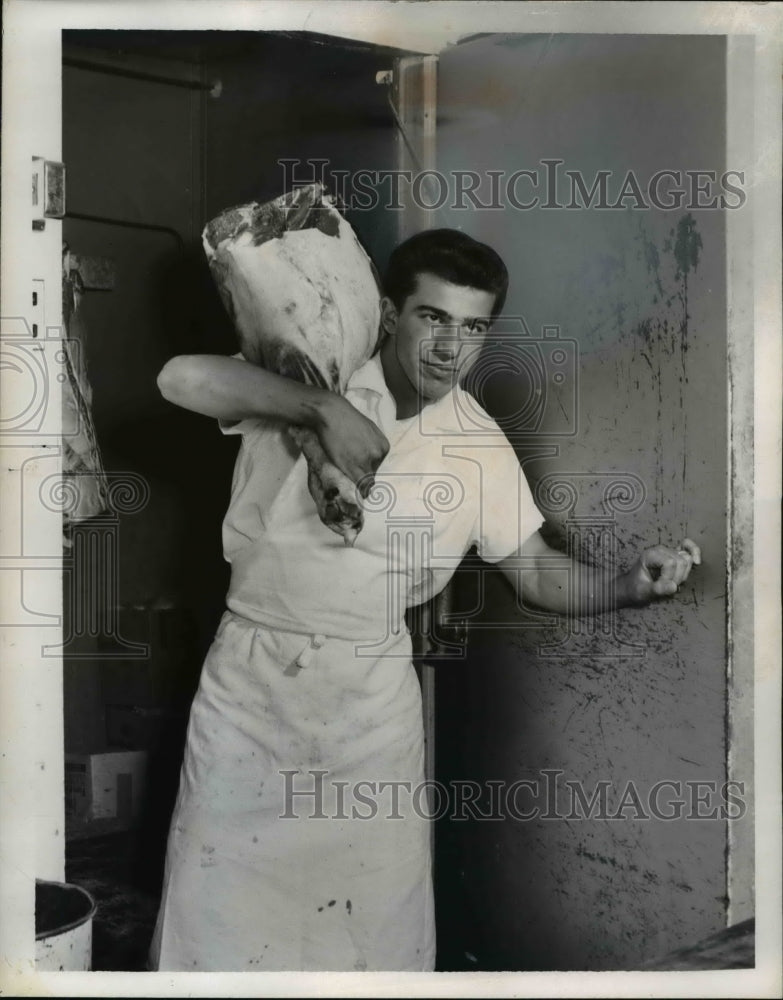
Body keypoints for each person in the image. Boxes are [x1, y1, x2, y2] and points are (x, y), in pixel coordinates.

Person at [148, 228, 700, 972]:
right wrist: (318, 408)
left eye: (472, 328)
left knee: (369, 935)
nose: (450, 347)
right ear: (389, 313)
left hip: (371, 708)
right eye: (433, 318)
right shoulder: (314, 372)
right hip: (252, 686)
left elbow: (534, 568)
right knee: (218, 924)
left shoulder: (476, 443)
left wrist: (628, 586)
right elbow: (178, 378)